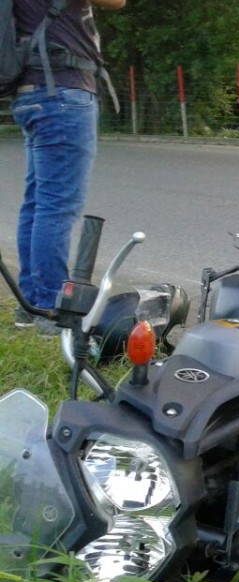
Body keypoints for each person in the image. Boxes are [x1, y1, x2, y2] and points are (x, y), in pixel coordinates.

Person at [11, 0, 125, 334]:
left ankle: (30, 306)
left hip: (34, 92)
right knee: (56, 207)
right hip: (62, 93)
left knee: (38, 205)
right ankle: (49, 310)